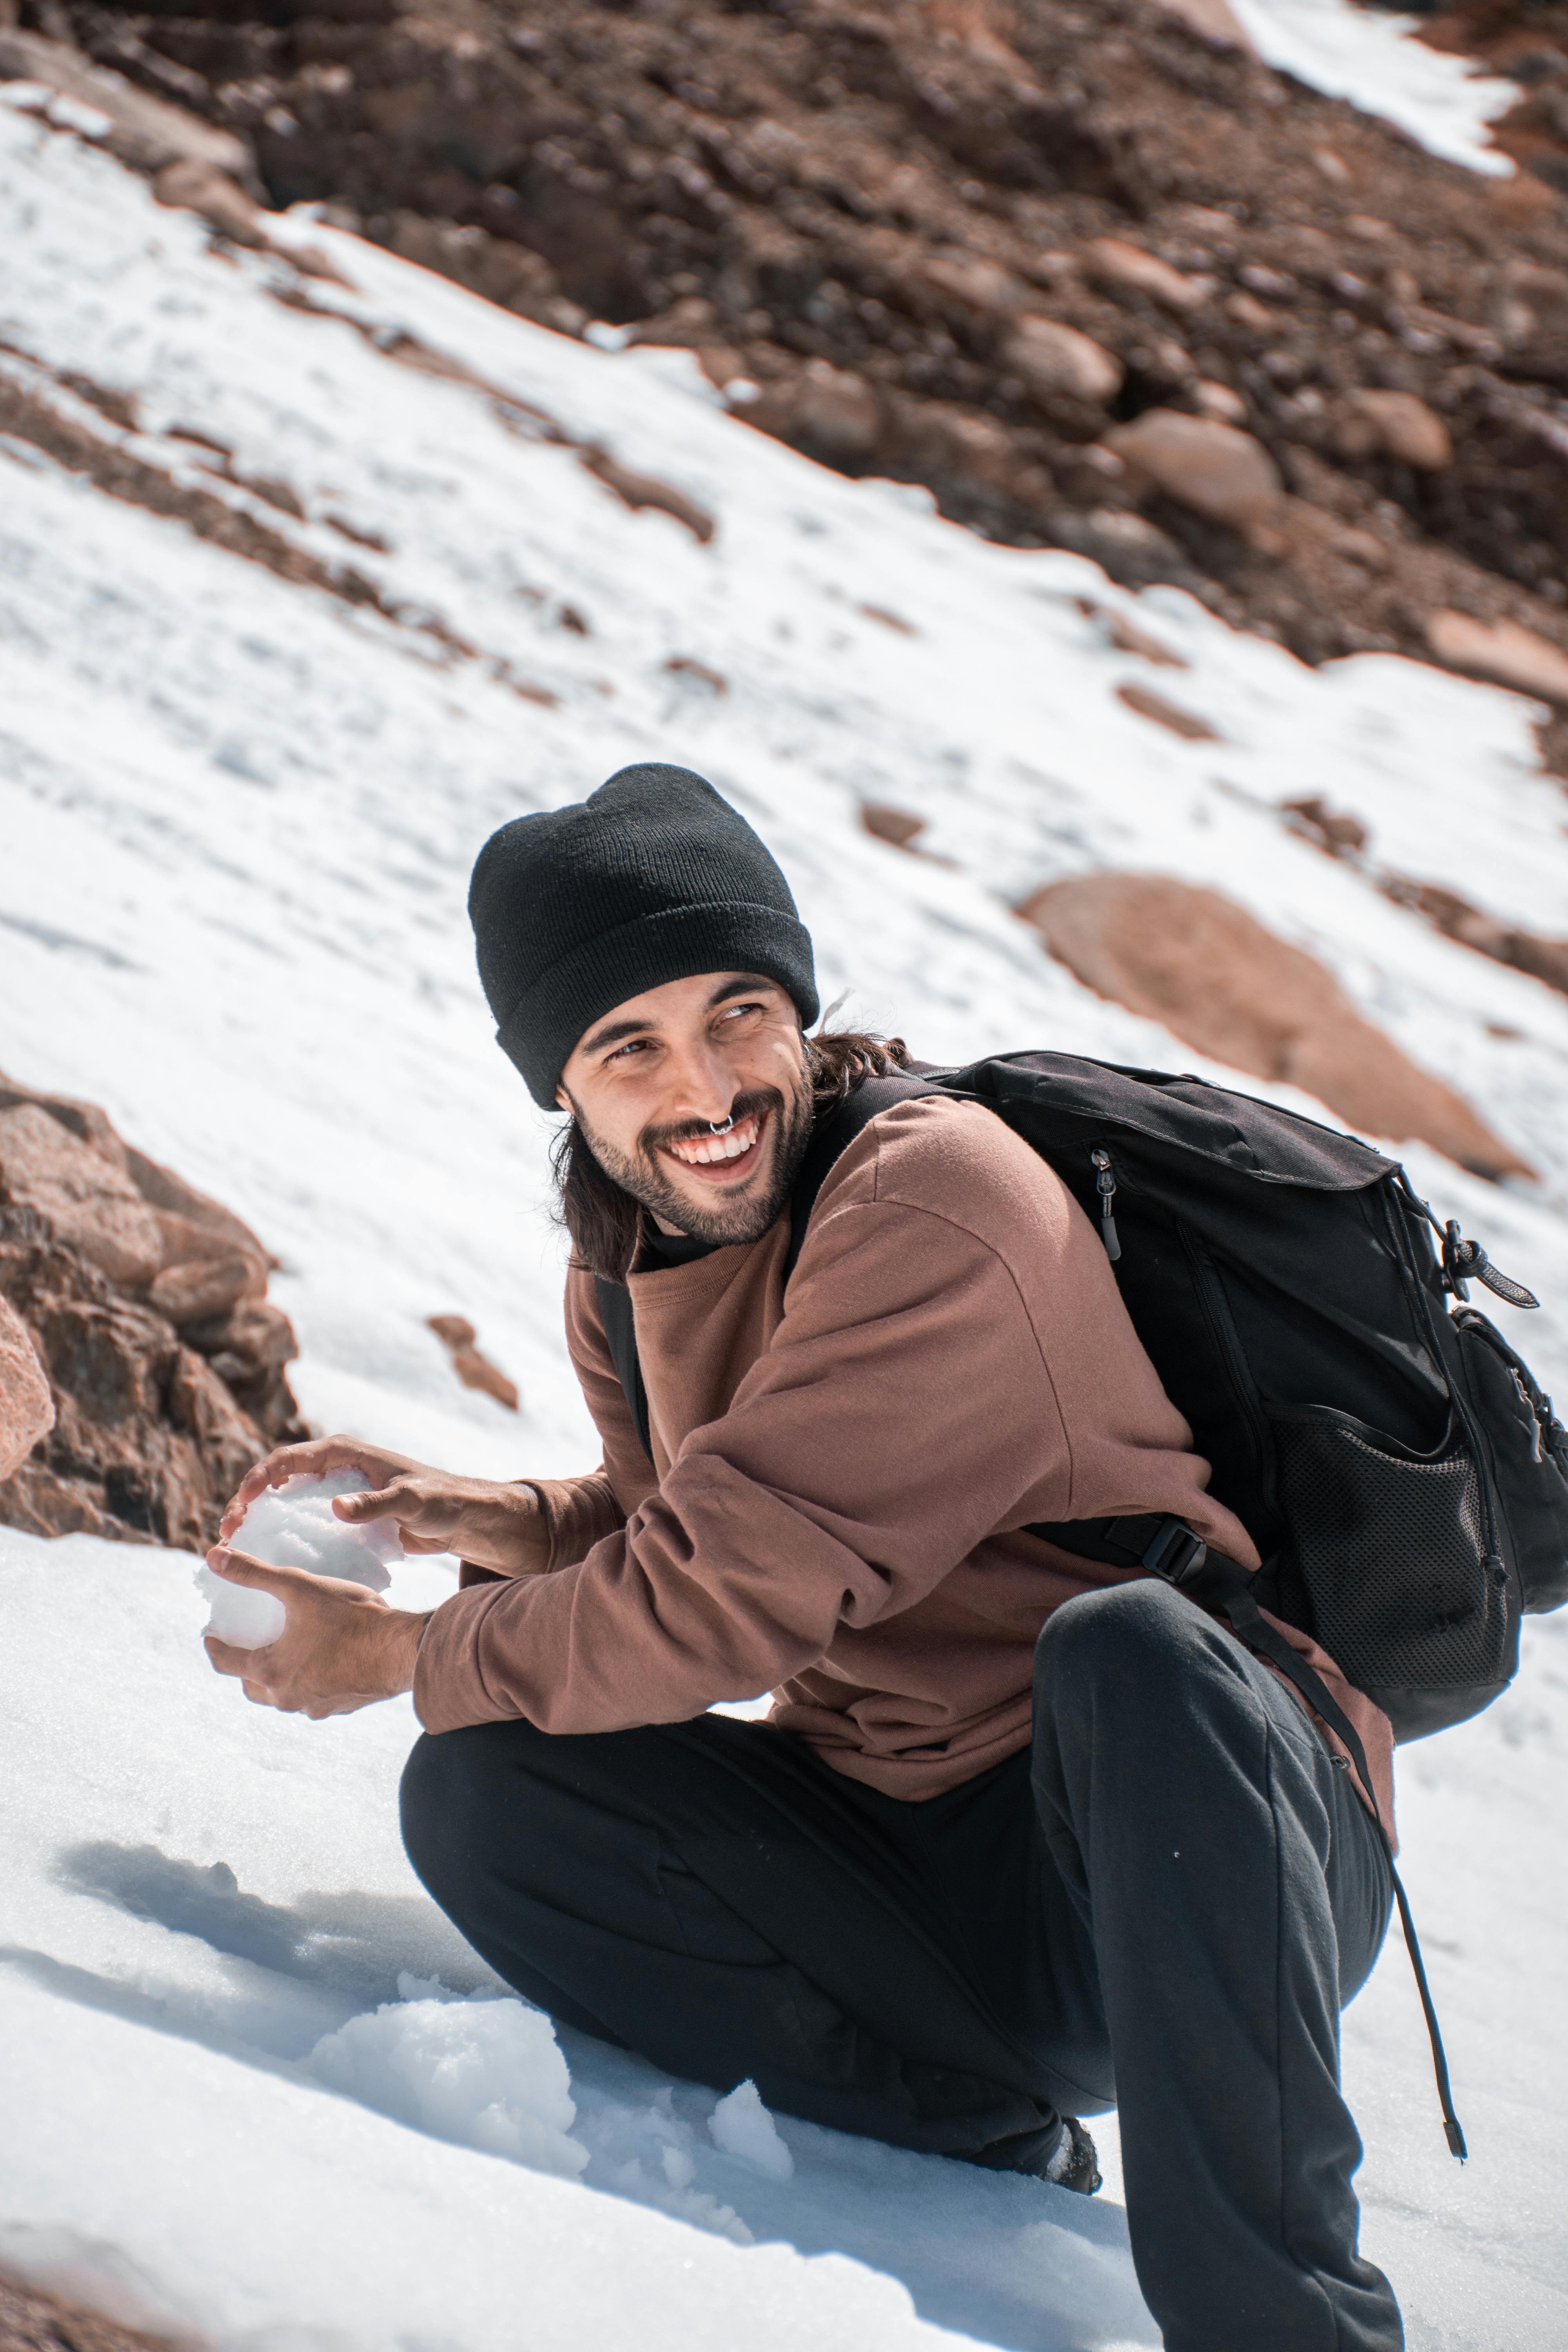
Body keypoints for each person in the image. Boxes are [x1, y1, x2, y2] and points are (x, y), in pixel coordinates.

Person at [208, 762, 1403, 2351]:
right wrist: (502, 1518)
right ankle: (964, 2124)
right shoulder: (630, 1257)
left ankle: (1290, 2326)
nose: (702, 1087)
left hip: (1194, 1833)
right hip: (922, 1868)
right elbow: (700, 1526)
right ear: (561, 1090)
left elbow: (723, 1602)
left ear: (801, 1009)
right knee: (486, 1791)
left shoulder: (937, 1197)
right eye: (625, 1045)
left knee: (1131, 1646)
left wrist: (400, 1657)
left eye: (736, 1013)